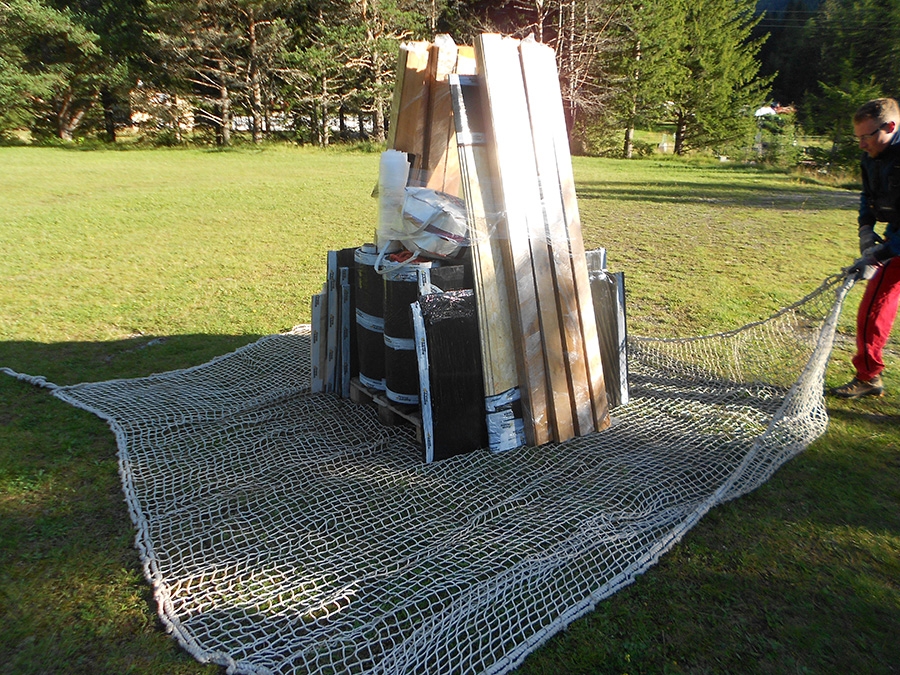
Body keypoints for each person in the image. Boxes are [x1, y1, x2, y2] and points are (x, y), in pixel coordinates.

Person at [833, 97, 900, 398]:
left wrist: (880, 255)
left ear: (890, 126)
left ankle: (868, 375)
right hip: (895, 234)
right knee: (874, 307)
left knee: (874, 307)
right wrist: (865, 229)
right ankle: (868, 376)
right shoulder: (873, 155)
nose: (861, 144)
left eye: (866, 136)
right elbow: (867, 194)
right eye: (857, 137)